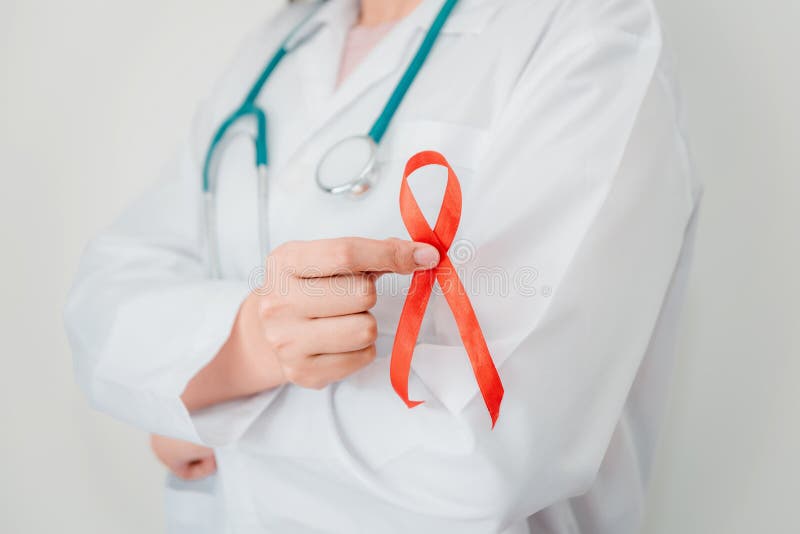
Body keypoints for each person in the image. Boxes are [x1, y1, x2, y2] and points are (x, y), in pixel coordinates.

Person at [64, 0, 702, 532]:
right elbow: (101, 300)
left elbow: (487, 457)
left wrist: (202, 399)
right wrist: (245, 349)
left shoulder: (587, 37)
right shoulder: (276, 47)